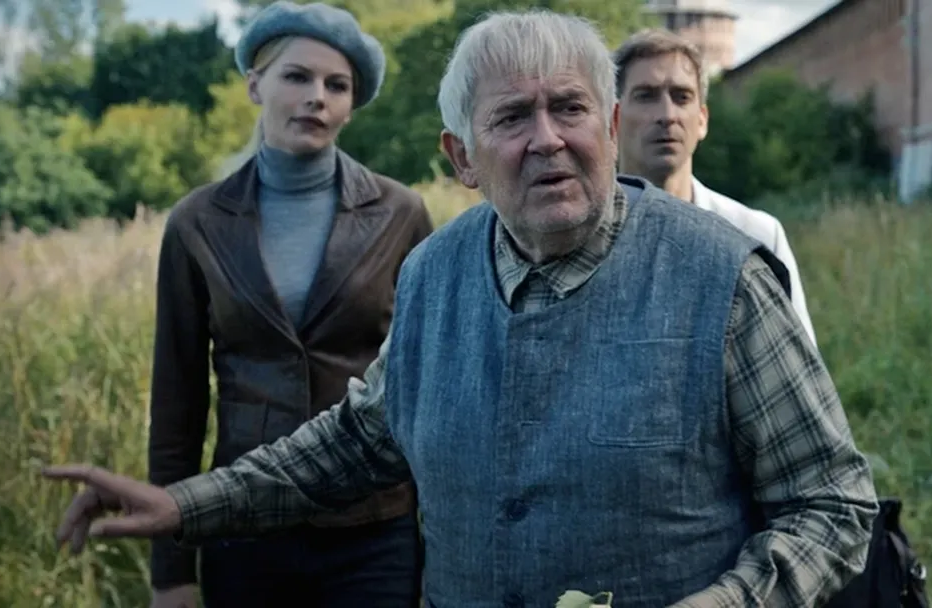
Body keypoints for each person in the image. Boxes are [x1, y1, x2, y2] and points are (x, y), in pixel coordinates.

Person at [43, 9, 878, 608]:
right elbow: (358, 441)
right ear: (462, 158)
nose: (547, 138)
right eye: (512, 117)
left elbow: (833, 505)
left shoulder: (723, 276)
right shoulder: (432, 273)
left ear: (611, 125)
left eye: (570, 107)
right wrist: (183, 506)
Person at [139, 2, 432, 607]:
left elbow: (430, 387)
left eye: (336, 85)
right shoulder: (198, 222)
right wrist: (171, 571)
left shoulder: (400, 214)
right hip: (242, 526)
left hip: (373, 528)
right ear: (255, 85)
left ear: (351, 103)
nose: (316, 97)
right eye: (297, 76)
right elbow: (178, 403)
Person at [613, 29, 819, 348]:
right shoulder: (580, 236)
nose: (667, 115)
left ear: (702, 120)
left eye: (681, 97)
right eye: (646, 96)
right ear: (614, 118)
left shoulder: (756, 237)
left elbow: (799, 364)